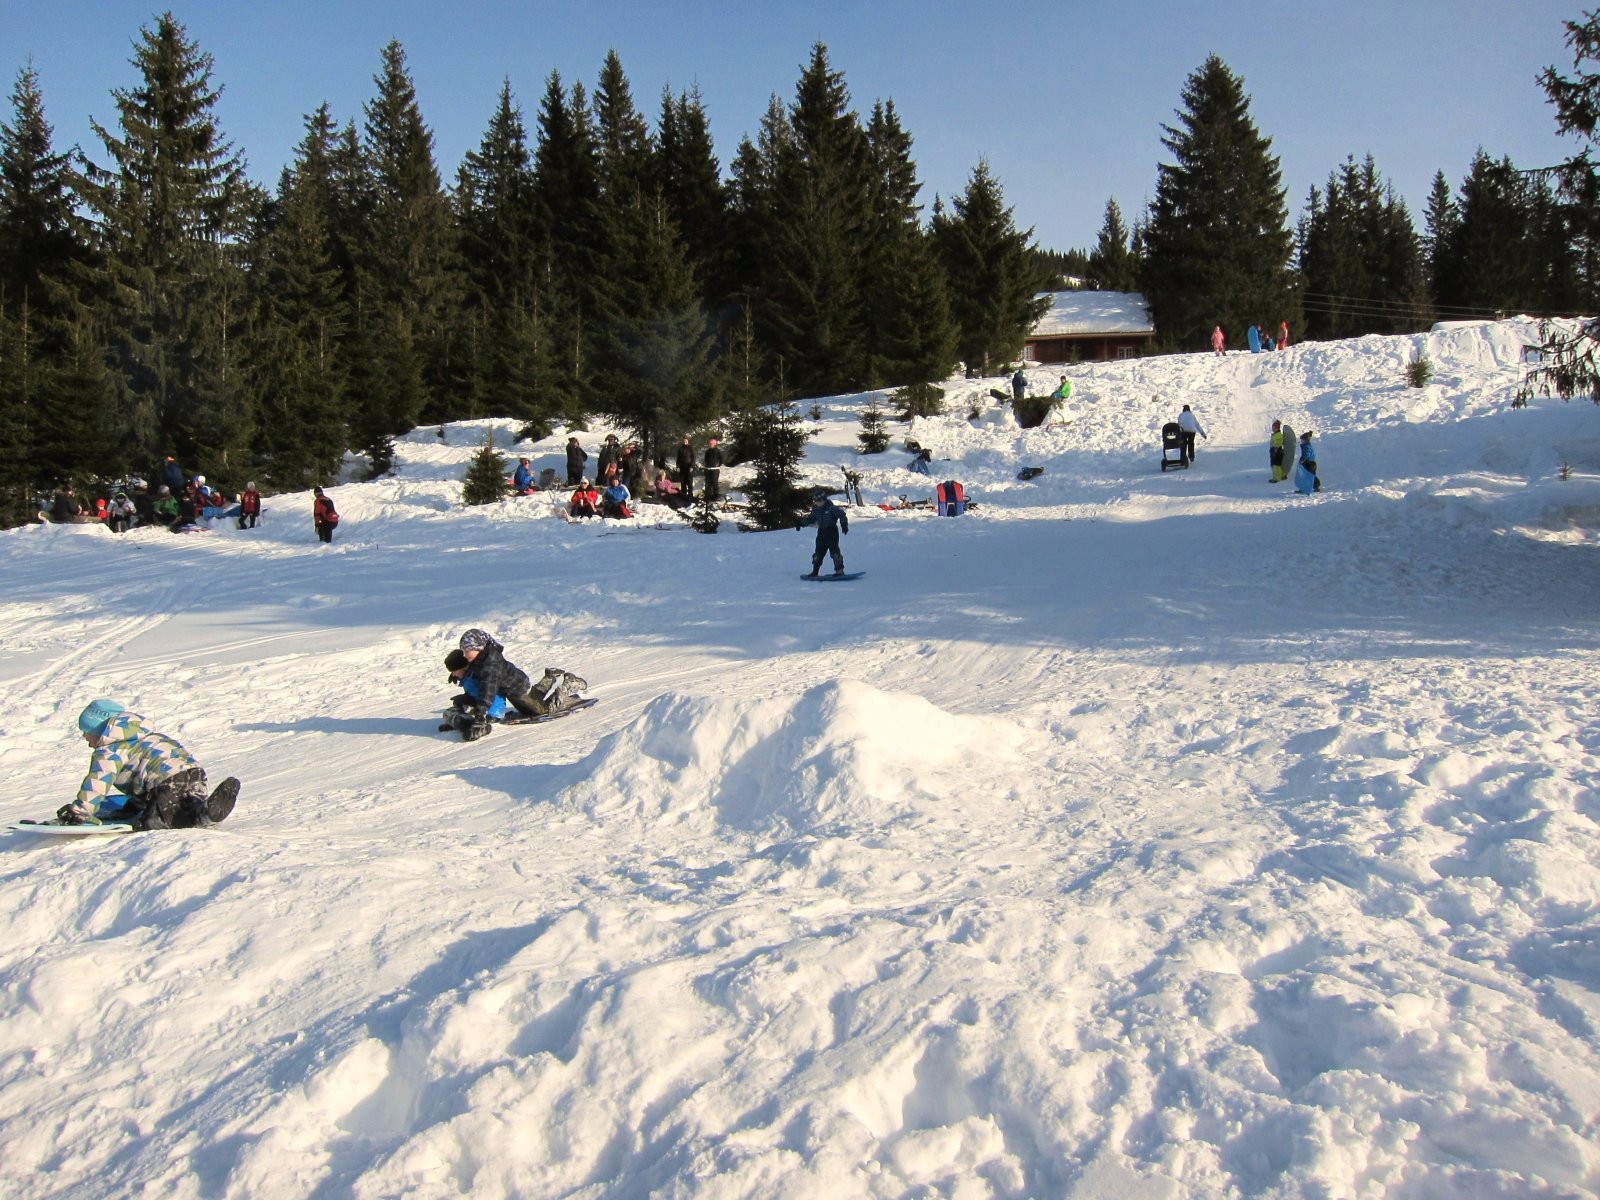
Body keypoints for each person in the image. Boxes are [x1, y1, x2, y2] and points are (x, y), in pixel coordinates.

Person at [56, 699, 239, 830]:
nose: (84, 737)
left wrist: (80, 811)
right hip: (193, 772)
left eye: (85, 732)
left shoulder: (111, 749)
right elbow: (141, 779)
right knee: (185, 804)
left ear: (98, 731)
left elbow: (98, 781)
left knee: (159, 824)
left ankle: (205, 817)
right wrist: (131, 808)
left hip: (166, 781)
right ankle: (205, 810)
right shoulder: (143, 737)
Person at [443, 629, 587, 740]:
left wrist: (480, 717)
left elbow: (488, 692)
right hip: (515, 685)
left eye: (467, 650)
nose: (464, 654)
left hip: (517, 689)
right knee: (533, 696)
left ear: (478, 647)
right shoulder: (481, 657)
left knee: (541, 710)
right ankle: (550, 677)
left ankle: (569, 684)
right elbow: (470, 672)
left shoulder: (491, 665)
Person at [798, 493, 849, 578]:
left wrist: (844, 524)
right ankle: (815, 572)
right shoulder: (816, 510)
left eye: (819, 501)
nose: (818, 503)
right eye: (816, 501)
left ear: (824, 500)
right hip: (821, 532)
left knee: (834, 551)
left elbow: (842, 514)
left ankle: (839, 571)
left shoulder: (832, 508)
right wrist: (801, 523)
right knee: (818, 552)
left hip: (832, 531)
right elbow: (811, 519)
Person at [1294, 430, 1321, 495]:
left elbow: (1306, 454)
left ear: (1305, 440)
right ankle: (1314, 487)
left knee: (1307, 476)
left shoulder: (1306, 446)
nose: (1301, 441)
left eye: (1302, 440)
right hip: (1309, 463)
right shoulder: (1306, 445)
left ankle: (1314, 487)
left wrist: (1303, 460)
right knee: (1308, 476)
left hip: (1309, 463)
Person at [675, 435, 696, 500]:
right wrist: (677, 466)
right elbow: (678, 458)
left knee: (689, 482)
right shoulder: (680, 448)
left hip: (689, 467)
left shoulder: (691, 448)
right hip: (682, 467)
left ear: (688, 441)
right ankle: (683, 495)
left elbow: (694, 457)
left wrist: (692, 466)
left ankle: (690, 496)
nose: (685, 441)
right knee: (683, 482)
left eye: (686, 440)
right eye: (684, 440)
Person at [703, 437, 723, 503]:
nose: (710, 445)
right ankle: (707, 497)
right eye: (709, 443)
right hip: (708, 469)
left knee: (715, 483)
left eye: (711, 443)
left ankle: (715, 496)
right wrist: (706, 465)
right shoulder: (707, 451)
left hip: (715, 469)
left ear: (714, 444)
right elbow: (705, 459)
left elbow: (721, 459)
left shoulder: (717, 451)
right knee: (707, 483)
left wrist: (718, 465)